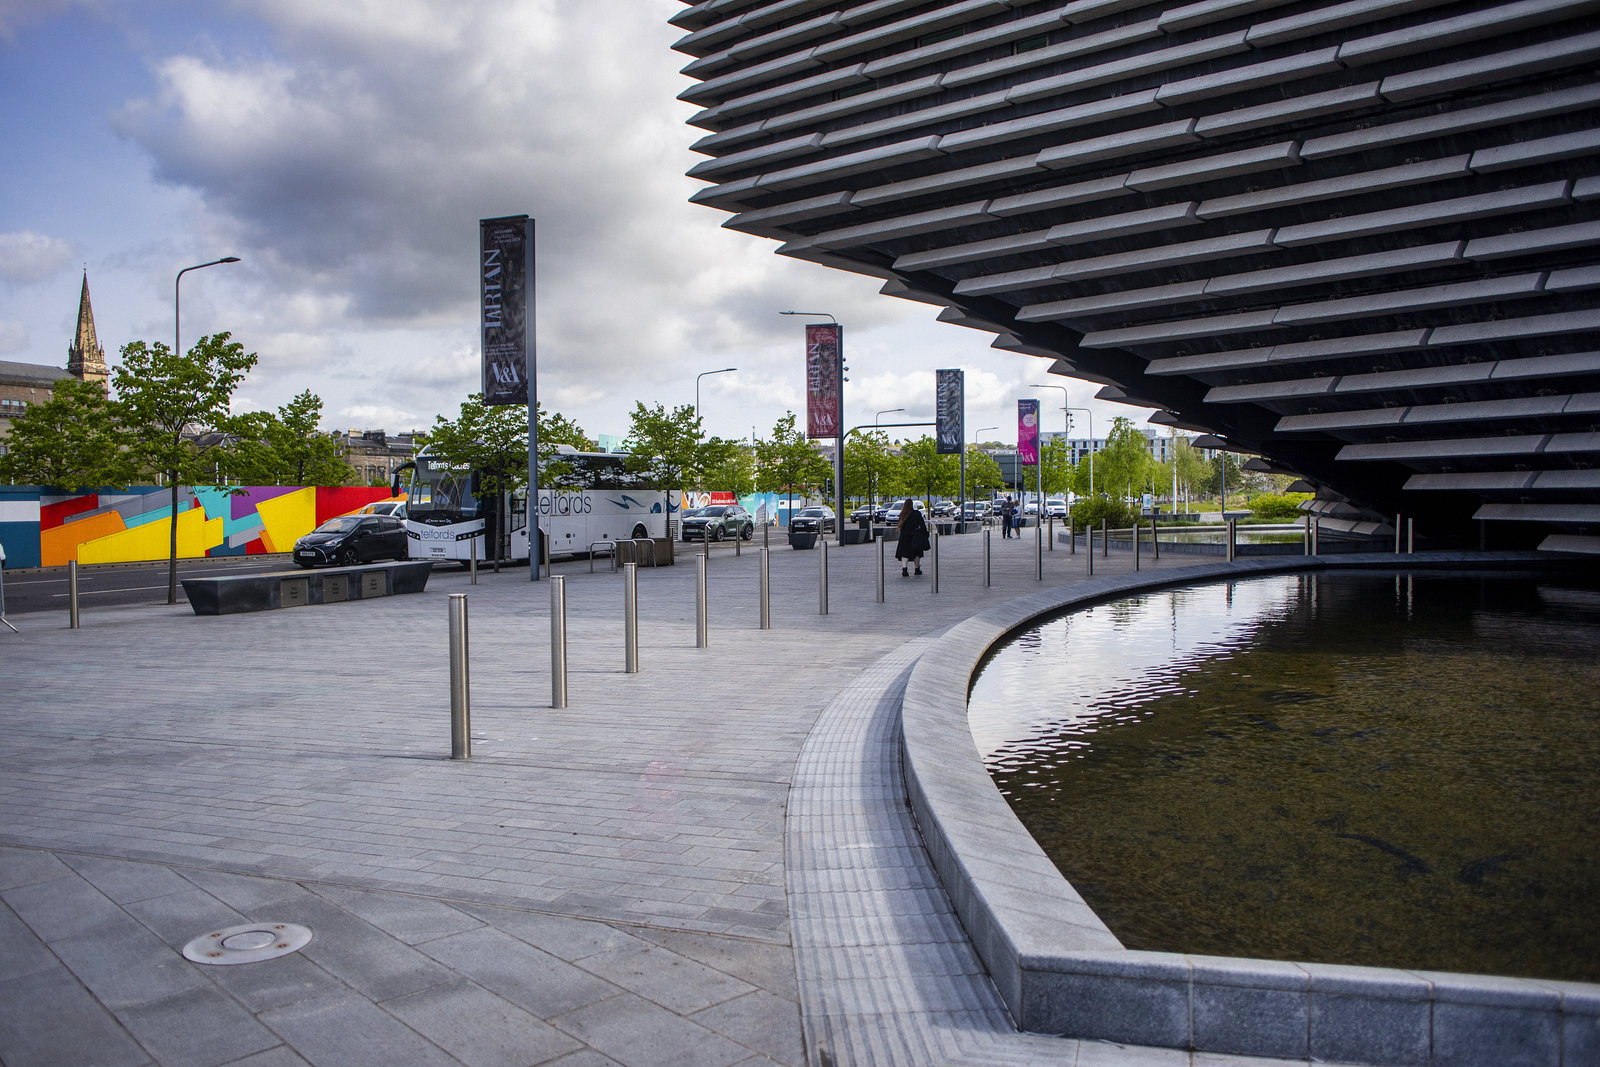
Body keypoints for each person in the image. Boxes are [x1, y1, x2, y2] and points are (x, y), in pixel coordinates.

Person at [895, 498, 930, 577]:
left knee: (905, 553)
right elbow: (922, 524)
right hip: (915, 536)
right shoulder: (916, 514)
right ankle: (917, 569)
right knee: (916, 553)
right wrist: (925, 533)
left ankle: (904, 569)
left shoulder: (902, 514)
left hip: (904, 537)